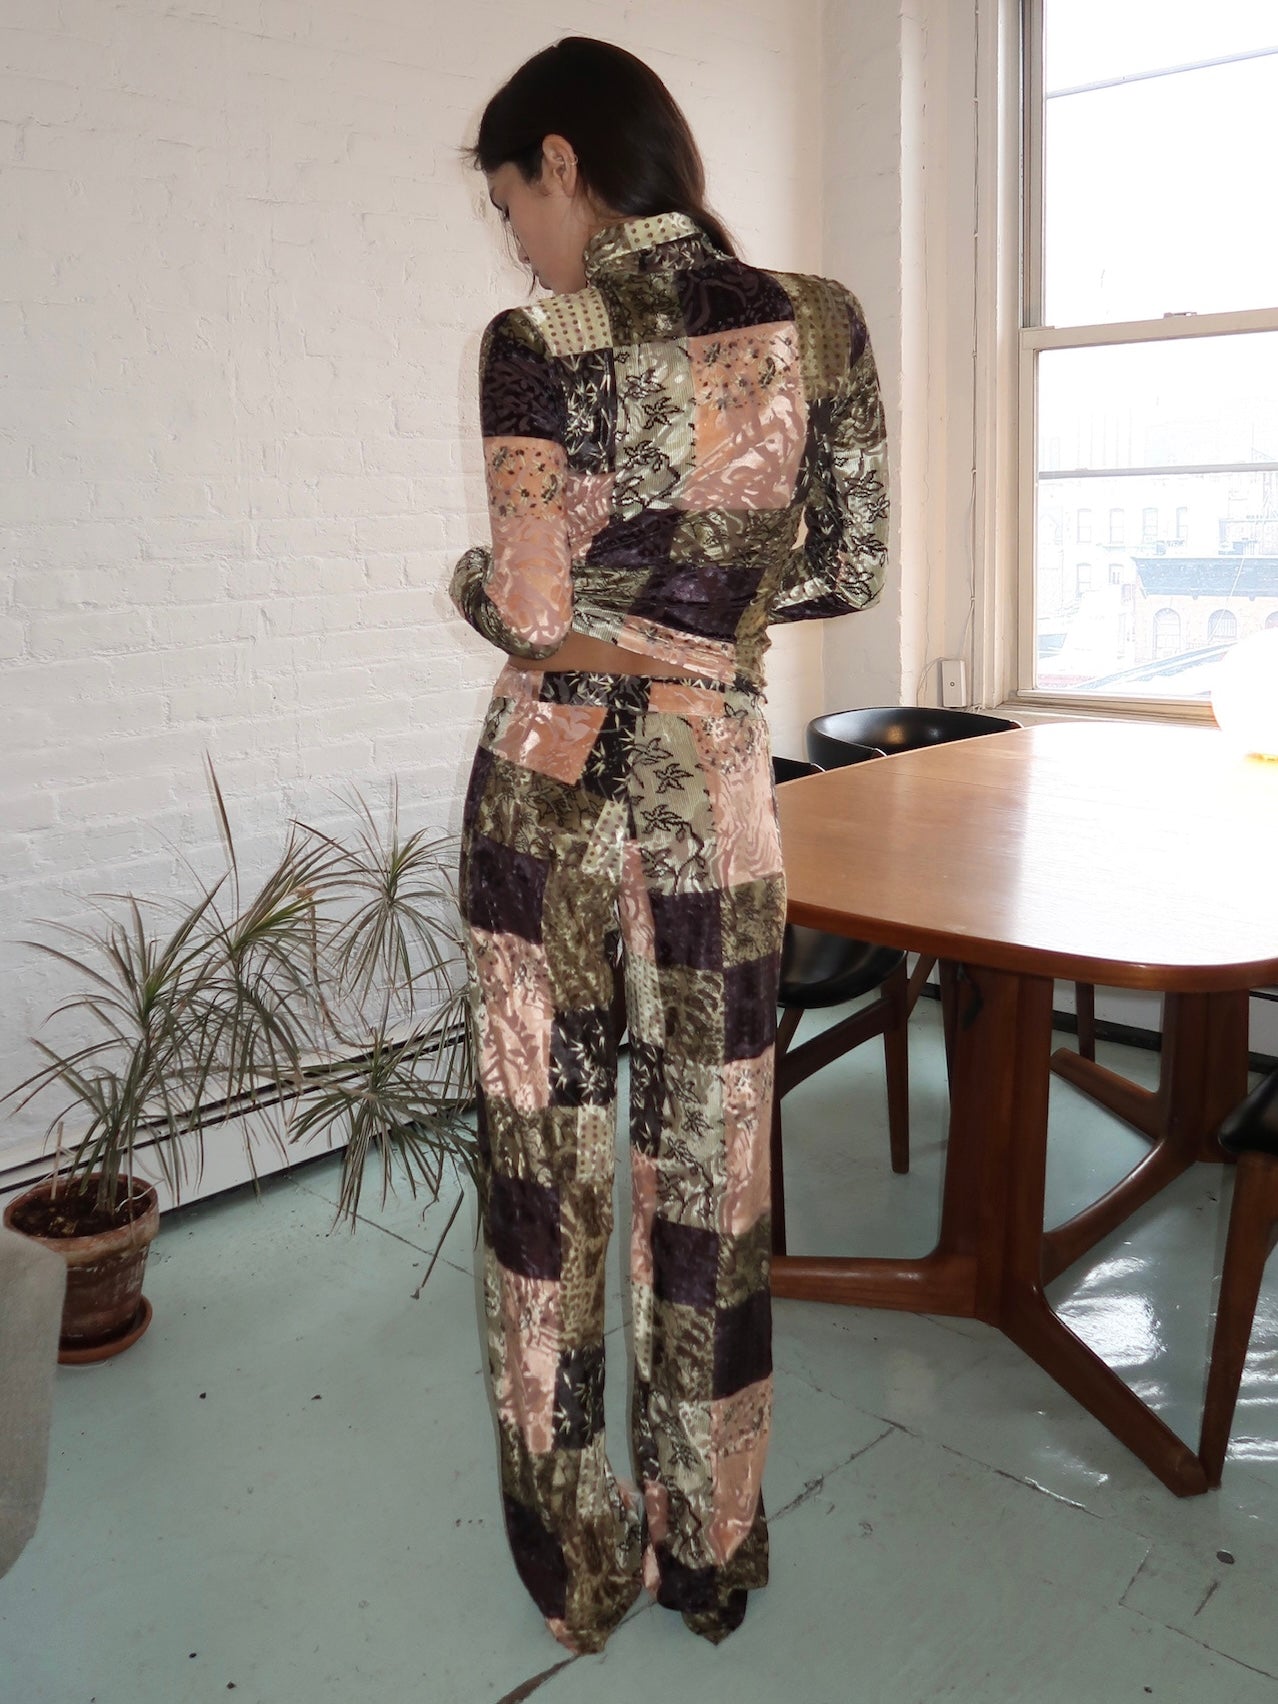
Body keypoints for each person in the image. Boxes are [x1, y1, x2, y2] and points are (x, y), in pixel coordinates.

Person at [451, 36, 888, 1655]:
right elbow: (845, 563)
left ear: (561, 163)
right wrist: (702, 620)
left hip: (547, 797)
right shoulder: (822, 320)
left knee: (543, 1179)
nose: (519, 243)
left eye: (512, 203)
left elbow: (532, 608)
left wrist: (470, 585)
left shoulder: (537, 343)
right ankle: (704, 1550)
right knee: (713, 1169)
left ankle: (577, 1567)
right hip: (715, 787)